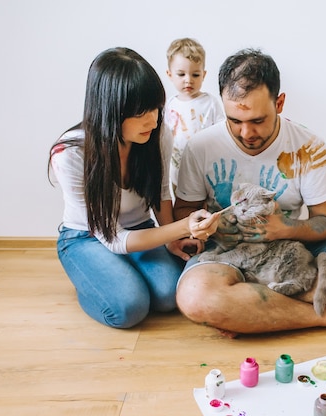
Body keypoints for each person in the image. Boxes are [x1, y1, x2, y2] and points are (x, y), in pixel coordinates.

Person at [173, 48, 326, 343]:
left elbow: (325, 223)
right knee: (194, 297)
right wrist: (200, 226)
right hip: (227, 258)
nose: (245, 133)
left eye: (257, 120)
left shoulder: (309, 147)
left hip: (290, 256)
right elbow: (184, 212)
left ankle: (253, 309)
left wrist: (285, 229)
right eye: (234, 120)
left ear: (279, 103)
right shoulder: (200, 146)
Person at [48, 47, 219, 329]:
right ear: (110, 110)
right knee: (129, 308)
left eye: (155, 108)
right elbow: (114, 240)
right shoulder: (70, 154)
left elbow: (162, 193)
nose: (152, 120)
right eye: (141, 112)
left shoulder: (156, 133)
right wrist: (182, 227)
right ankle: (89, 282)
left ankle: (117, 276)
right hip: (85, 237)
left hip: (139, 228)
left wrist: (171, 240)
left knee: (167, 296)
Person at [164, 37, 225, 190]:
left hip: (205, 165)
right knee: (180, 200)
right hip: (177, 168)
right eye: (181, 74)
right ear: (170, 74)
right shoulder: (170, 105)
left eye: (195, 75)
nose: (188, 80)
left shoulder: (210, 102)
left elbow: (221, 131)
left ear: (203, 75)